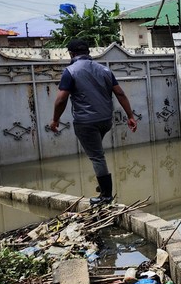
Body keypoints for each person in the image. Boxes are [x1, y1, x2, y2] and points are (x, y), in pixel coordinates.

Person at [49, 39, 138, 205]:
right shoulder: (104, 69)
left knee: (97, 157)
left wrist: (55, 120)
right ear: (88, 52)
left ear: (71, 54)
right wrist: (130, 116)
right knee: (97, 152)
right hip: (106, 120)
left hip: (86, 122)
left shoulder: (70, 71)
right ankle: (102, 186)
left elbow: (61, 100)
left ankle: (106, 196)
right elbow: (120, 93)